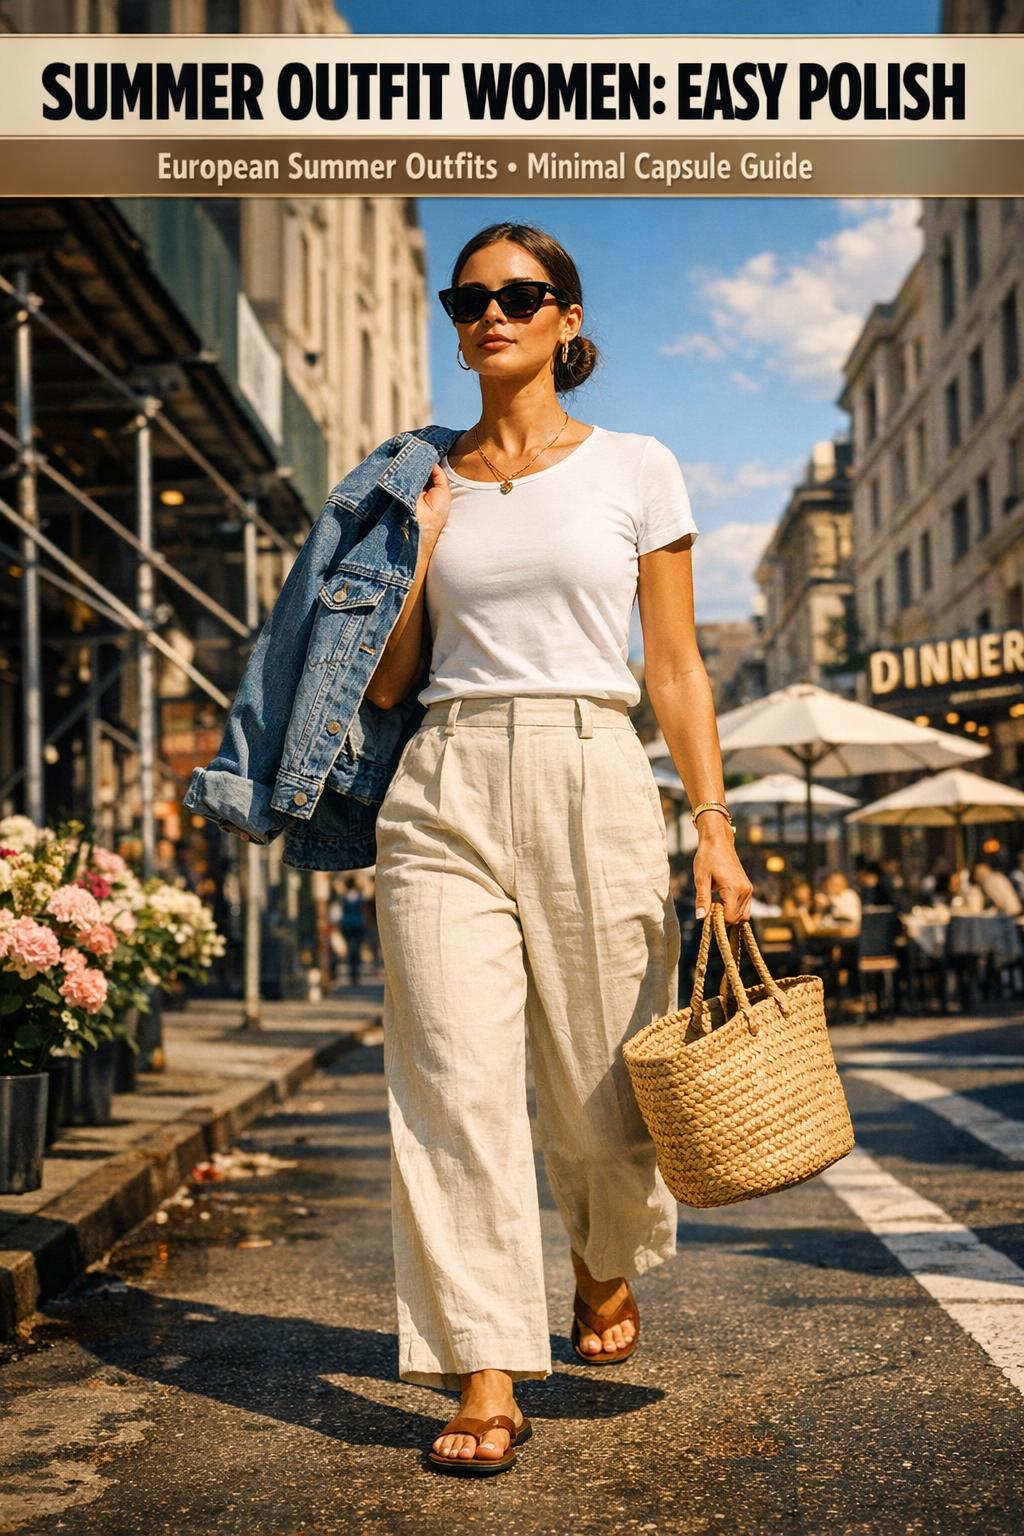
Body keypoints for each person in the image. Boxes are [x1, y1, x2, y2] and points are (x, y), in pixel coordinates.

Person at [367, 222, 755, 1474]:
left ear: (567, 320)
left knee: (600, 1087)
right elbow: (384, 687)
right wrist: (417, 548)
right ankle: (485, 1369)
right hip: (443, 780)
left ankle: (601, 1259)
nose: (492, 314)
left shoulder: (635, 466)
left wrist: (711, 823)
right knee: (452, 1086)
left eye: (521, 296)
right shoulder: (423, 479)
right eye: (469, 297)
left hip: (594, 766)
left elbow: (677, 668)